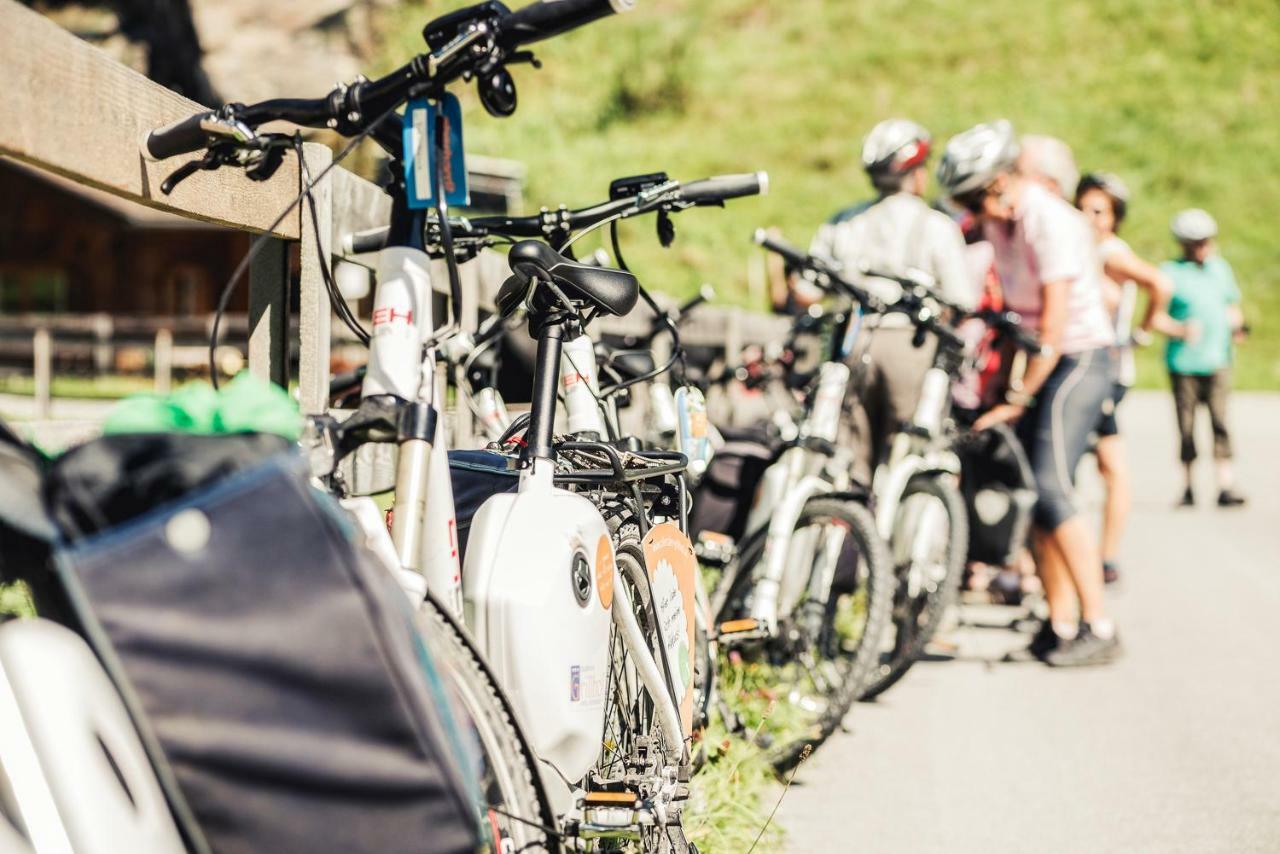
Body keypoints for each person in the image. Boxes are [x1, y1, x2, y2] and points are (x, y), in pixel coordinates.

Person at [937, 121, 1120, 666]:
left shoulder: (1049, 220)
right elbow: (1011, 315)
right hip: (1039, 358)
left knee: (1052, 487)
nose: (973, 213)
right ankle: (1059, 624)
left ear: (1000, 183)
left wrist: (1016, 398)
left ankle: (1099, 624)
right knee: (1033, 496)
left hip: (1080, 358)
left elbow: (1056, 327)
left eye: (976, 200)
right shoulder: (999, 222)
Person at [809, 118, 978, 483]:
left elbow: (807, 288)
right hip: (909, 344)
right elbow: (962, 299)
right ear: (917, 173)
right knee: (907, 454)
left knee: (850, 456)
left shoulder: (843, 222)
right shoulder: (935, 225)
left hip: (852, 342)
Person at [1074, 173, 1172, 583]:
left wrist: (1141, 333)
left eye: (1099, 211)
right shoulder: (1084, 248)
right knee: (1099, 464)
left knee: (1108, 465)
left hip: (1105, 373)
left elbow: (1159, 284)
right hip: (1090, 370)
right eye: (1083, 207)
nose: (1089, 216)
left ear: (1113, 218)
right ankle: (1094, 556)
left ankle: (1103, 555)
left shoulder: (1109, 252)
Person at [1161, 209, 1248, 508]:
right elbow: (1156, 318)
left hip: (1218, 359)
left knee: (1220, 421)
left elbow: (1230, 305)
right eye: (1195, 243)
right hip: (1184, 363)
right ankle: (1187, 486)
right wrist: (1179, 329)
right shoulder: (1169, 273)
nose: (1202, 248)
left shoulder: (1220, 269)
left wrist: (1238, 327)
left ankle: (1226, 484)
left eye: (1205, 241)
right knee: (1186, 426)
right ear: (1183, 244)